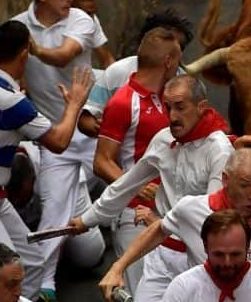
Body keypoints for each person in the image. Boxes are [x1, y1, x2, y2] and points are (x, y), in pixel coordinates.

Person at [68, 75, 234, 302]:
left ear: (201, 107)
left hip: (197, 257)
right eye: (168, 107)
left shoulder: (220, 150)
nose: (173, 116)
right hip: (161, 254)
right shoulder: (163, 140)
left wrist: (161, 222)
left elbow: (212, 216)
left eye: (180, 107)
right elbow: (126, 186)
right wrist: (88, 219)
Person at [11, 0, 106, 300]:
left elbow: (66, 56)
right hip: (54, 140)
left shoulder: (81, 19)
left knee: (134, 185)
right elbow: (14, 77)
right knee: (53, 216)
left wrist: (33, 48)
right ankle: (45, 287)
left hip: (95, 130)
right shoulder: (16, 28)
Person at [0, 20, 91, 299]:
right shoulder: (11, 102)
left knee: (31, 262)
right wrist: (75, 103)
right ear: (24, 55)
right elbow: (59, 141)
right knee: (4, 275)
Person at [98, 148, 251, 299]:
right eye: (245, 185)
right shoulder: (191, 209)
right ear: (225, 179)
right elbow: (158, 231)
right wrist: (117, 268)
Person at [91, 27, 182, 296]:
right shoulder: (123, 102)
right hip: (134, 217)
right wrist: (135, 187)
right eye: (178, 61)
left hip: (168, 213)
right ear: (168, 62)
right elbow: (102, 161)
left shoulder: (170, 99)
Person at [80, 8, 194, 137]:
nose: (173, 53)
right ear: (144, 43)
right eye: (165, 45)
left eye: (179, 48)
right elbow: (86, 119)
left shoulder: (186, 85)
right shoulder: (117, 72)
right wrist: (100, 128)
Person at [161, 210, 251, 302]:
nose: (227, 263)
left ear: (247, 246)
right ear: (206, 247)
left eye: (235, 254)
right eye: (219, 254)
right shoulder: (183, 287)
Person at [70, 0, 115, 68]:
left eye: (92, 13)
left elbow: (107, 58)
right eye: (87, 14)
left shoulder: (91, 20)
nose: (91, 18)